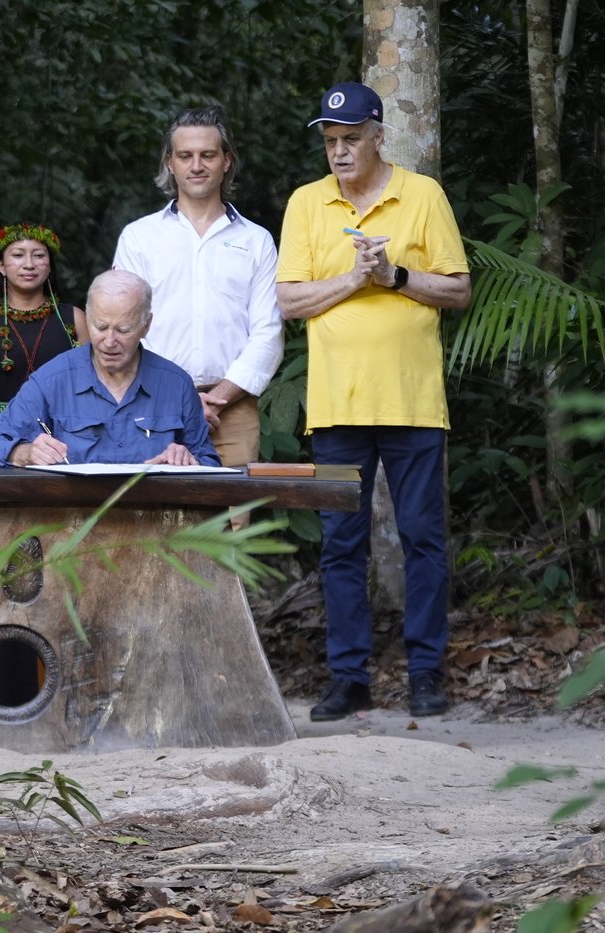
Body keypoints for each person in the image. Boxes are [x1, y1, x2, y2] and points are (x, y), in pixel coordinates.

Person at [275, 82, 471, 721]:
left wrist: (396, 278)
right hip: (336, 407)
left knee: (422, 539)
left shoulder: (422, 195)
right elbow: (290, 301)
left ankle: (425, 675)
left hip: (413, 403)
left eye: (351, 139)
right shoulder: (307, 203)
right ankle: (349, 678)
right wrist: (356, 279)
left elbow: (459, 289)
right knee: (340, 545)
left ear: (379, 135)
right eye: (331, 141)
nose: (339, 151)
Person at [112, 106, 283, 468]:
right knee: (155, 521)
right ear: (170, 163)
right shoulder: (140, 237)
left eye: (208, 155)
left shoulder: (256, 241)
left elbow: (268, 333)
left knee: (236, 523)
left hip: (232, 412)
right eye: (185, 156)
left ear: (226, 161)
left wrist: (217, 398)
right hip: (151, 408)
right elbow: (125, 327)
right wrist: (181, 397)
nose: (197, 165)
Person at [0, 270, 219, 468]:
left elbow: (209, 462)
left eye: (123, 330)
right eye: (100, 327)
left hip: (156, 522)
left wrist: (189, 460)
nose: (109, 341)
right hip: (70, 523)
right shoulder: (52, 380)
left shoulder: (175, 383)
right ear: (88, 318)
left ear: (146, 326)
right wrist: (24, 452)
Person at [0, 222, 86, 467]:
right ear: (1, 265)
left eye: (38, 255)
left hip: (62, 442)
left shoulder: (74, 319)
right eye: (18, 255)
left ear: (49, 265)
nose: (29, 264)